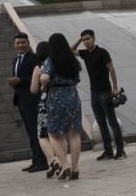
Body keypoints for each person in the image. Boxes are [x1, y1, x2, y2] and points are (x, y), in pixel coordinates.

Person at [32, 32, 85, 180]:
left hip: (56, 97)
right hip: (73, 96)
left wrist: (44, 85)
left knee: (53, 134)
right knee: (74, 134)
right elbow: (78, 78)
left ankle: (64, 165)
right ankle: (75, 169)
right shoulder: (72, 59)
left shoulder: (50, 60)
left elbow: (44, 77)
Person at [76, 30, 127, 160]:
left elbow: (111, 69)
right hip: (94, 93)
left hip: (105, 92)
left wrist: (114, 88)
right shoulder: (85, 53)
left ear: (94, 38)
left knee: (112, 122)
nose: (86, 42)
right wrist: (79, 39)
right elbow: (69, 51)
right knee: (101, 123)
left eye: (88, 39)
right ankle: (108, 151)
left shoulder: (102, 52)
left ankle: (120, 150)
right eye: (84, 40)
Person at [7, 33, 49, 172]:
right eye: (18, 43)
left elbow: (37, 76)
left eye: (23, 42)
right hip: (21, 100)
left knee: (36, 132)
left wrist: (20, 80)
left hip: (32, 100)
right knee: (30, 132)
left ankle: (42, 161)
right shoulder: (16, 60)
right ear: (14, 45)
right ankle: (36, 159)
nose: (20, 45)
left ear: (28, 43)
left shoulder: (34, 58)